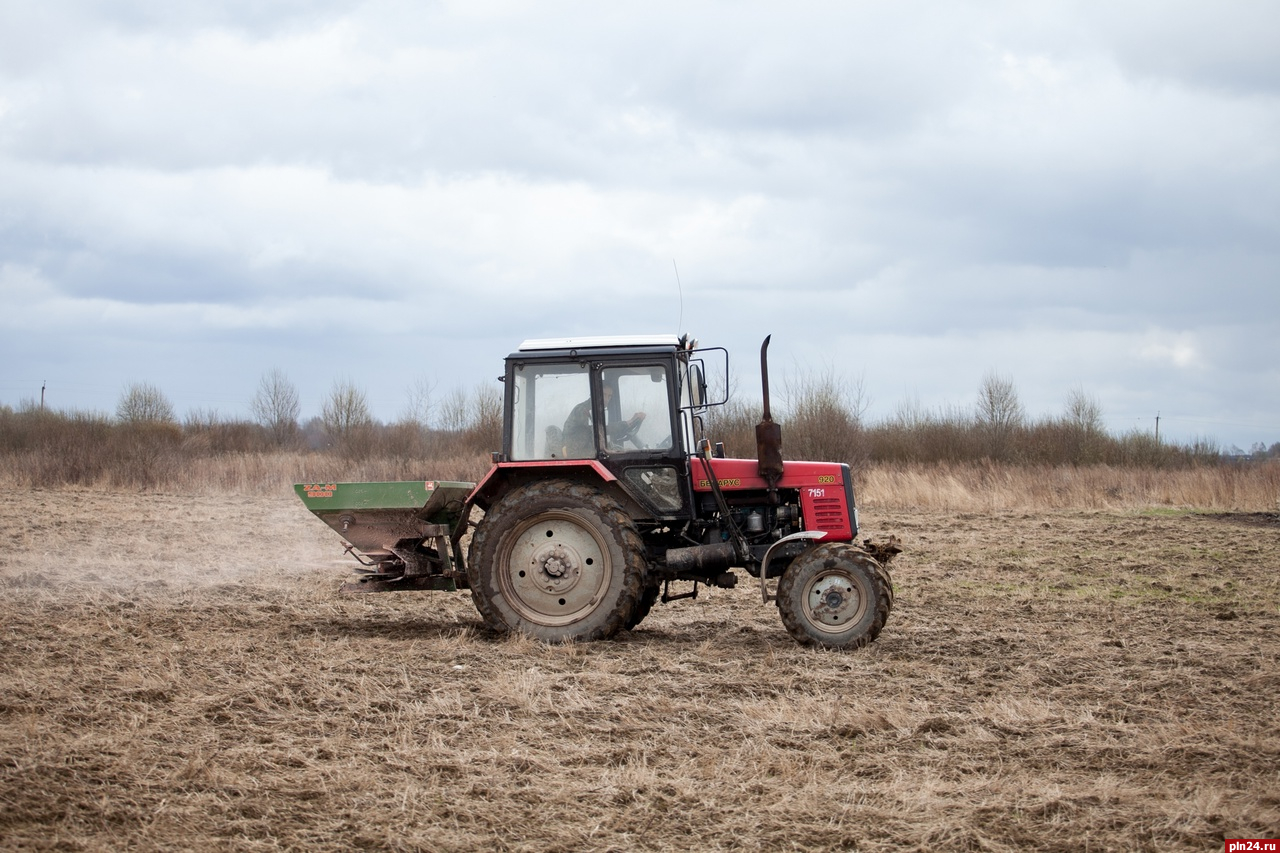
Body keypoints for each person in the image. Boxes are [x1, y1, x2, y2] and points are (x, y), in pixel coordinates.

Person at [562, 386, 645, 457]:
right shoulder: (583, 410)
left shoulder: (596, 410)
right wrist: (626, 423)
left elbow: (599, 435)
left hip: (586, 448)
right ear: (594, 394)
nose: (606, 399)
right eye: (604, 394)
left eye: (609, 396)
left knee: (626, 452)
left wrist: (618, 449)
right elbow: (595, 432)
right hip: (576, 452)